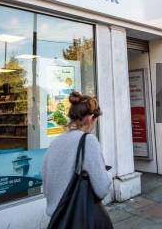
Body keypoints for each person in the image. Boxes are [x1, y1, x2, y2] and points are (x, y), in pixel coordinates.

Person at [42, 92, 113, 227]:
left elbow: (46, 185)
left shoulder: (55, 142)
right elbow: (102, 189)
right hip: (78, 219)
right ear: (91, 118)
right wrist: (108, 174)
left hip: (56, 220)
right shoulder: (88, 141)